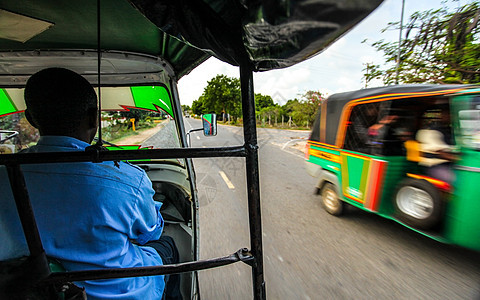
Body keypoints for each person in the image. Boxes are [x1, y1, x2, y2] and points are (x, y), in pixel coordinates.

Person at [0, 68, 181, 299]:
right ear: (93, 117)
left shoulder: (4, 175)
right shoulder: (127, 179)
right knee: (168, 247)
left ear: (31, 119)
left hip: (28, 291)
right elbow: (150, 233)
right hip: (121, 293)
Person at [416, 107, 458, 184]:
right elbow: (441, 153)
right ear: (442, 115)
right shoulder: (431, 131)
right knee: (458, 180)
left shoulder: (450, 130)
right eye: (449, 114)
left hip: (450, 165)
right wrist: (459, 159)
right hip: (434, 166)